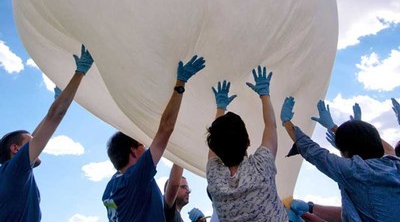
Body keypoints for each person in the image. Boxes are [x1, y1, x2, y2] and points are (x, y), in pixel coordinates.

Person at [102, 55, 205, 222]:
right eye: (141, 144)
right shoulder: (134, 178)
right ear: (133, 151)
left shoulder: (111, 188)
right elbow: (165, 128)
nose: (146, 147)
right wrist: (180, 84)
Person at [0, 45, 94, 222]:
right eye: (31, 142)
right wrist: (80, 72)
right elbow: (55, 116)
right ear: (15, 148)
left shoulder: (9, 173)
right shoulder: (14, 171)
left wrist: (57, 100)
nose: (38, 145)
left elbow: (41, 128)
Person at [281, 96, 400, 221]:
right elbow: (390, 151)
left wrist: (286, 121)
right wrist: (309, 209)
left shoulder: (355, 171)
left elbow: (312, 151)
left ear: (347, 152)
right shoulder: (395, 164)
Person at [206, 68, 288, 222]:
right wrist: (264, 94)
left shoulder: (214, 179)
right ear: (248, 141)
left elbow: (215, 142)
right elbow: (271, 126)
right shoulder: (261, 167)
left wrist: (220, 108)